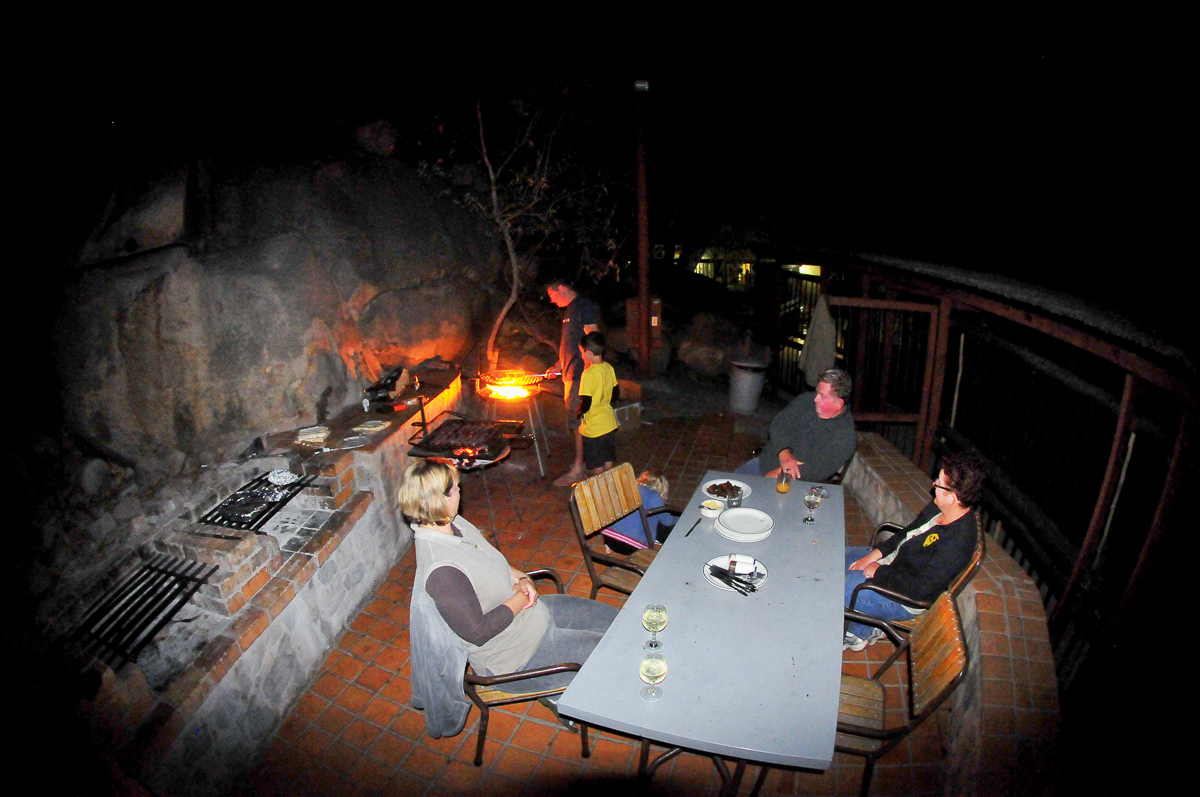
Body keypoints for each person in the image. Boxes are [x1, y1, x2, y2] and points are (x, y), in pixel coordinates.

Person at [401, 459, 616, 735]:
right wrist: (518, 599)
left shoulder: (452, 523)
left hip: (533, 616)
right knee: (611, 654)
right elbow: (478, 632)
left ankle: (558, 690)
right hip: (517, 656)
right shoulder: (442, 571)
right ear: (436, 501)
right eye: (455, 489)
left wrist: (522, 578)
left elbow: (493, 562)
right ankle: (559, 695)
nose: (461, 492)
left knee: (614, 622)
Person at [842, 451, 985, 650]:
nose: (933, 484)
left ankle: (858, 635)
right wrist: (875, 554)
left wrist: (878, 571)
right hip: (895, 563)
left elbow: (917, 589)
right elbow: (907, 533)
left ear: (952, 497)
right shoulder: (940, 507)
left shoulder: (957, 543)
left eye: (939, 482)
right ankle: (864, 625)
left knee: (841, 587)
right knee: (836, 556)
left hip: (904, 596)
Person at [736, 368, 856, 483]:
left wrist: (782, 473)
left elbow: (820, 468)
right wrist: (784, 453)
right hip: (764, 463)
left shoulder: (845, 435)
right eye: (817, 392)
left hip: (797, 482)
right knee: (725, 490)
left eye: (822, 395)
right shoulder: (806, 401)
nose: (815, 399)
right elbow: (779, 423)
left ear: (839, 403)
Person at [545, 278, 600, 486]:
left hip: (580, 375)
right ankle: (585, 463)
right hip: (570, 373)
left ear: (562, 288)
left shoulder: (583, 306)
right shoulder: (570, 310)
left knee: (578, 422)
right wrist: (559, 365)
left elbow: (593, 340)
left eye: (552, 295)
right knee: (578, 422)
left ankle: (578, 468)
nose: (552, 301)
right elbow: (573, 343)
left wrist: (587, 372)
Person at [601, 471, 676, 554]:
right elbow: (668, 521)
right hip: (632, 546)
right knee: (663, 522)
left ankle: (608, 546)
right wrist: (678, 518)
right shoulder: (654, 496)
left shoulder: (628, 489)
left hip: (610, 538)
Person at [578, 331, 619, 475]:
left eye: (582, 352)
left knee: (597, 462)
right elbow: (616, 393)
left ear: (589, 352)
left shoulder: (588, 374)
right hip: (608, 422)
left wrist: (579, 411)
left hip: (594, 426)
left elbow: (586, 401)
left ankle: (601, 489)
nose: (582, 355)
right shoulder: (609, 368)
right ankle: (610, 483)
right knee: (608, 458)